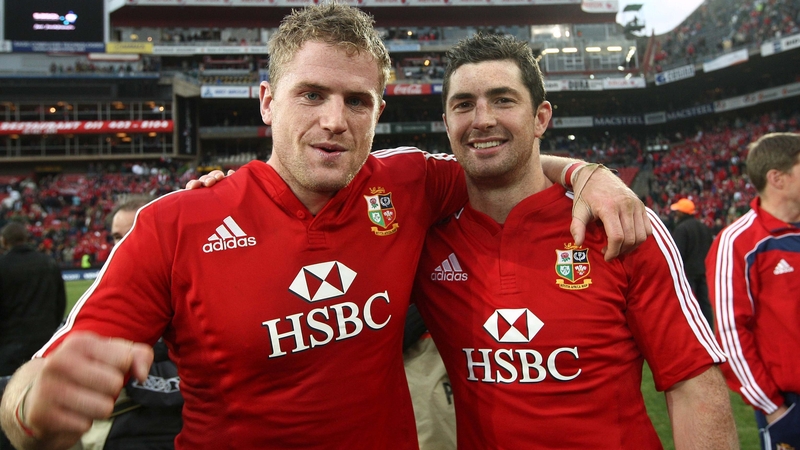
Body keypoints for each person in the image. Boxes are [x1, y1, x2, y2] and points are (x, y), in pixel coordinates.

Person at [0, 5, 649, 449]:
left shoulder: (407, 183)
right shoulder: (175, 225)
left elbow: (505, 164)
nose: (335, 120)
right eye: (312, 94)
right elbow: (34, 385)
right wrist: (35, 408)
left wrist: (585, 173)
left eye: (356, 100)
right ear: (266, 101)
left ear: (378, 110)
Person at [411, 34, 738, 448]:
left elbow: (692, 383)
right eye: (463, 104)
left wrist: (588, 173)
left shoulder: (620, 224)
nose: (482, 119)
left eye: (503, 100)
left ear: (541, 118)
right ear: (446, 123)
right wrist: (582, 169)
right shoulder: (426, 236)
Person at [707, 132, 800, 450]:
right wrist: (775, 410)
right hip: (789, 404)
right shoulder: (738, 242)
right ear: (778, 177)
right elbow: (731, 335)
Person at [74, 196, 183, 450]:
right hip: (119, 431)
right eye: (116, 237)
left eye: (134, 232)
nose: (121, 246)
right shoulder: (102, 295)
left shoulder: (196, 290)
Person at [0, 222, 66, 450]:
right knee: (46, 404)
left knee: (10, 407)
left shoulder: (3, 265)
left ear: (4, 241)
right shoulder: (47, 263)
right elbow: (60, 303)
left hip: (9, 349)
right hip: (44, 345)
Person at [669, 197, 715, 327]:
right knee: (705, 303)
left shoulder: (681, 229)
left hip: (688, 272)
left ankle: (692, 329)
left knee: (688, 303)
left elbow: (678, 253)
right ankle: (709, 329)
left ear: (682, 213)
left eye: (677, 211)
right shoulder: (704, 227)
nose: (675, 214)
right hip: (704, 271)